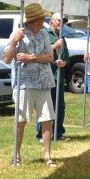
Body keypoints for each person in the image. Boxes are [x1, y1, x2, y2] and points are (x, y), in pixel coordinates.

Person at [4, 2, 59, 167]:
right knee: (20, 120)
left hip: (44, 82)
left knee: (47, 119)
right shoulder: (18, 34)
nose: (44, 21)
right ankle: (16, 155)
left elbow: (50, 57)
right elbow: (7, 59)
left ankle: (48, 155)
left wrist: (32, 57)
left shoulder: (44, 34)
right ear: (34, 20)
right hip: (24, 84)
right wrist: (14, 42)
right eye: (41, 18)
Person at [36, 12, 69, 142]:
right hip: (47, 76)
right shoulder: (44, 34)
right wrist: (55, 46)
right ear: (52, 21)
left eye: (63, 22)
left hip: (59, 77)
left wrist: (64, 62)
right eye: (59, 21)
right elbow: (40, 52)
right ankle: (41, 134)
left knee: (59, 106)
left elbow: (67, 56)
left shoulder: (62, 37)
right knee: (45, 106)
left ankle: (58, 133)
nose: (62, 23)